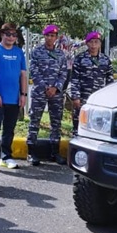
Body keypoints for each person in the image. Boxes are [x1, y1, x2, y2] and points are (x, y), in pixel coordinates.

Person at [0, 22, 27, 173]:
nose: (11, 37)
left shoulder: (19, 52)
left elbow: (23, 75)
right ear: (2, 34)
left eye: (14, 34)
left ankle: (6, 157)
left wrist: (23, 94)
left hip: (13, 98)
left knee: (9, 129)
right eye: (8, 34)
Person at [26, 24, 68, 166]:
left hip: (56, 93)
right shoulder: (36, 52)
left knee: (56, 122)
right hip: (40, 92)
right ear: (44, 36)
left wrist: (56, 88)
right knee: (35, 121)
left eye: (53, 36)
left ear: (56, 37)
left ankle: (54, 152)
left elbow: (63, 73)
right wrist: (45, 87)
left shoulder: (61, 54)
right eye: (48, 35)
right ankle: (31, 152)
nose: (50, 38)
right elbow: (34, 71)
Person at [69, 31, 114, 136]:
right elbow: (75, 79)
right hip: (82, 97)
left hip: (99, 98)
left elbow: (110, 80)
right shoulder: (79, 59)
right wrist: (75, 97)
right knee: (79, 125)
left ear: (100, 44)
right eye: (91, 42)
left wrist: (109, 97)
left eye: (96, 42)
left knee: (98, 125)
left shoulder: (105, 60)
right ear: (87, 43)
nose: (93, 45)